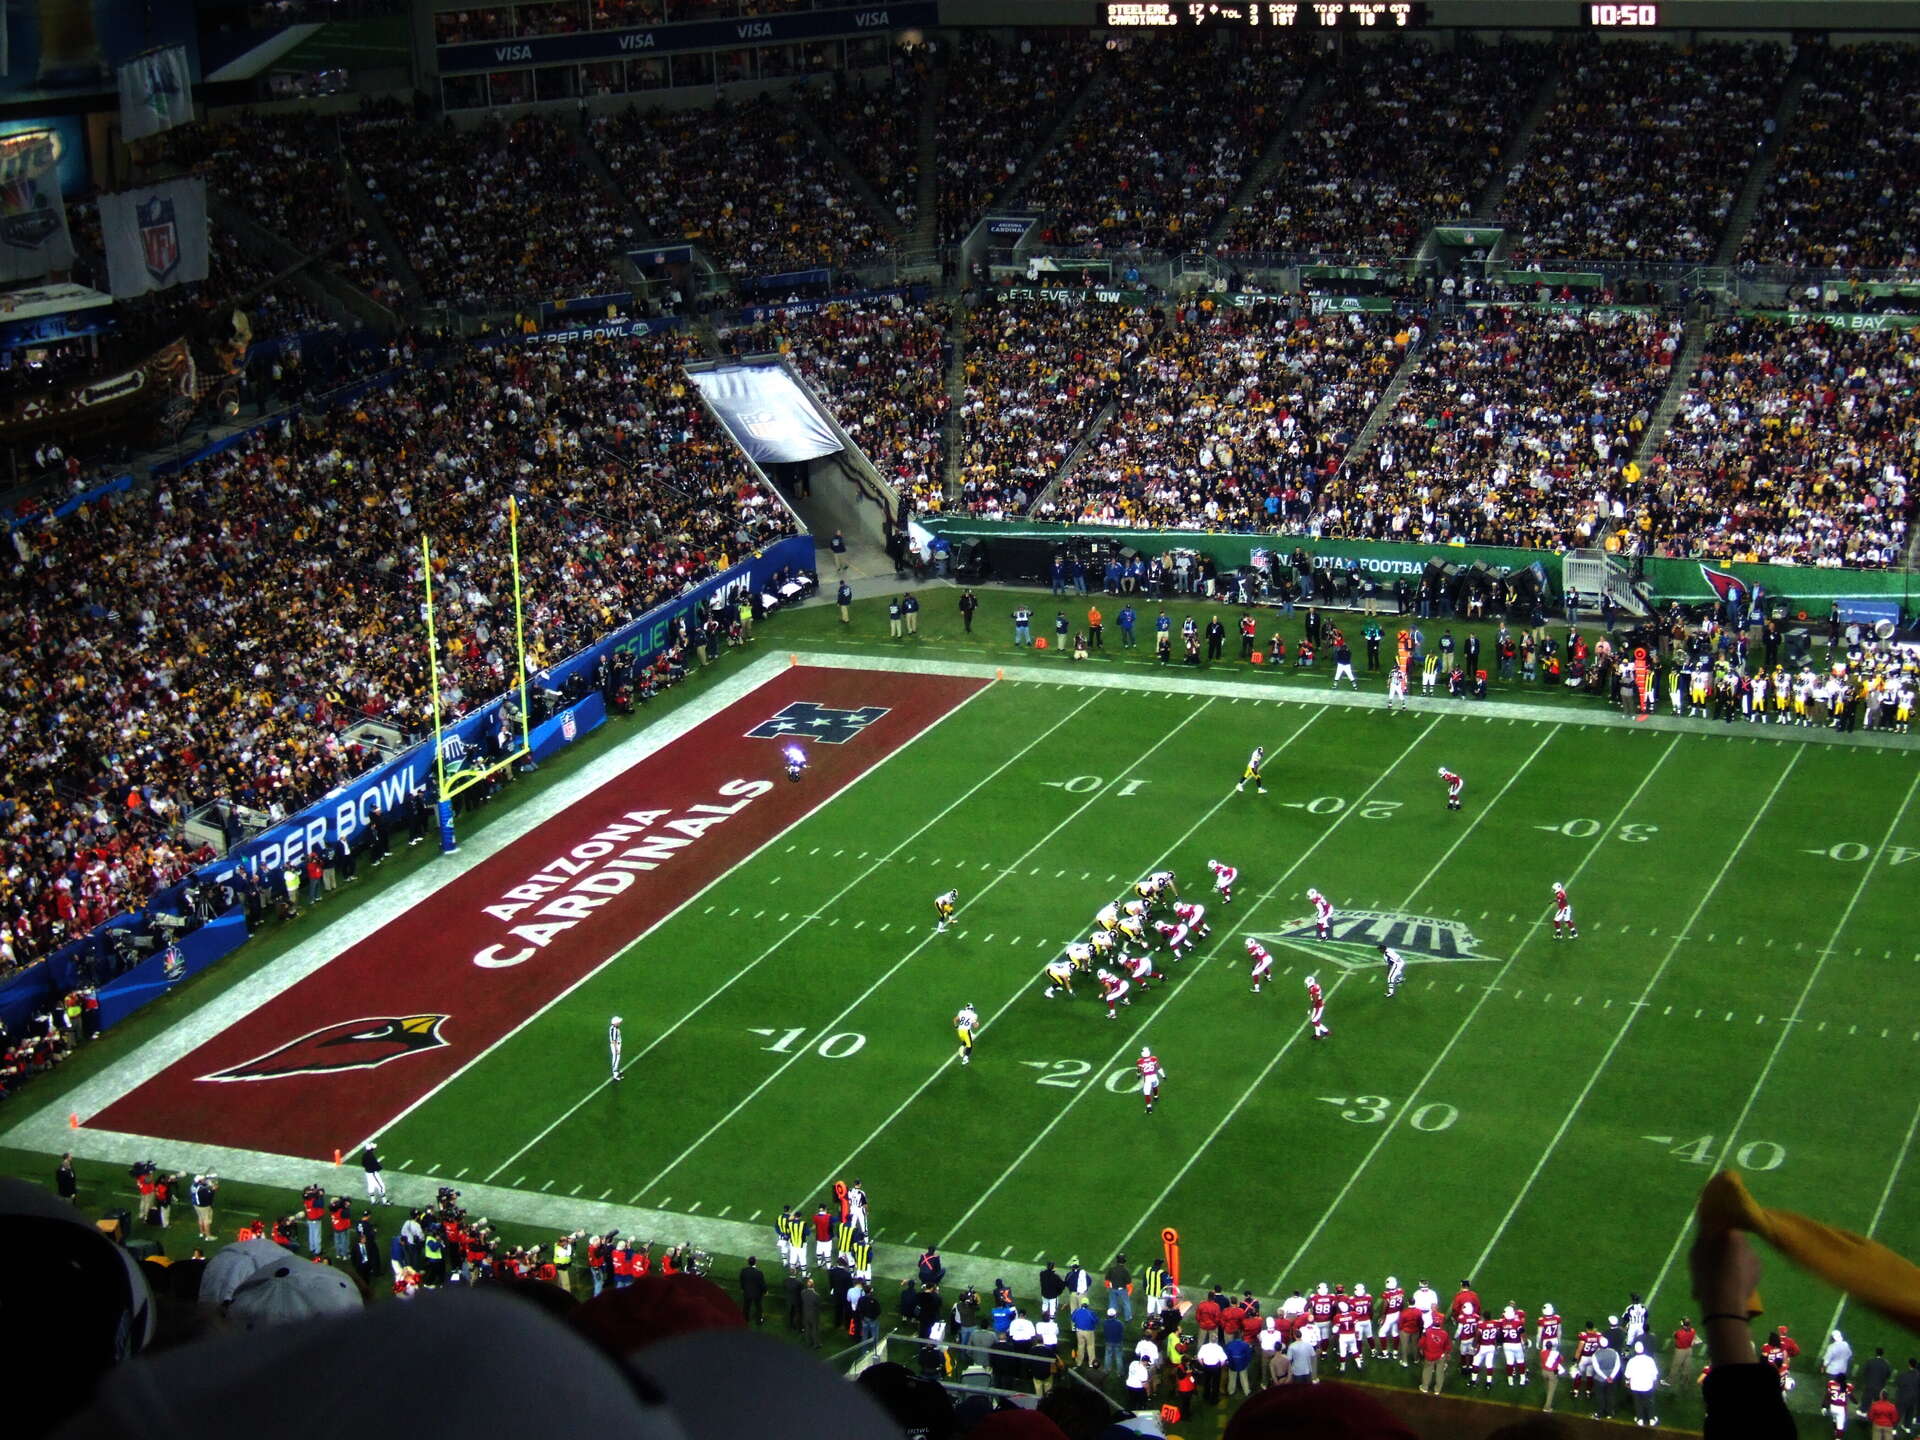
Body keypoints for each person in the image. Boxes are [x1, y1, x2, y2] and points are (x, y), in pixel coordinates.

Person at [1625, 1339, 1660, 1425]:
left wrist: (1627, 1383)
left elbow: (1627, 1375)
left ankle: (1640, 1419)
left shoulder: (1632, 1361)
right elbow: (1654, 1374)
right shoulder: (1649, 1360)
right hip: (1647, 1385)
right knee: (1649, 1402)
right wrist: (1654, 1382)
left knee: (1638, 1403)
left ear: (1635, 1350)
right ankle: (1651, 1419)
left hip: (1635, 1386)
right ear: (1643, 1349)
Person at [1591, 1334, 1623, 1419]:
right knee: (1611, 1395)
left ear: (1599, 1344)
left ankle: (1600, 1413)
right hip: (1612, 1379)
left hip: (1600, 1379)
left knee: (1600, 1396)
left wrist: (1605, 1377)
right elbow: (1617, 1365)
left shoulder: (1595, 1355)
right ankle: (1610, 1413)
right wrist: (1611, 1376)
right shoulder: (1614, 1352)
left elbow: (1597, 1369)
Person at [1419, 1315, 1451, 1393]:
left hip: (1429, 1355)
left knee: (1427, 1370)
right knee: (1440, 1372)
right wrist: (1447, 1354)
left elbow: (1421, 1343)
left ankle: (1425, 1387)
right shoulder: (1444, 1334)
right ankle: (1437, 1390)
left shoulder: (1427, 1332)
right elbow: (1447, 1346)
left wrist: (1421, 1349)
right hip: (1440, 1355)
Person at [608, 1016, 623, 1082]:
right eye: (618, 1022)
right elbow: (614, 1041)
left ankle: (616, 1070)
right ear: (615, 1023)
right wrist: (617, 1049)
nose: (619, 1023)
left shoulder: (614, 1028)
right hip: (615, 1045)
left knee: (617, 1058)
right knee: (616, 1058)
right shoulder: (614, 1030)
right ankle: (615, 1074)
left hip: (616, 1045)